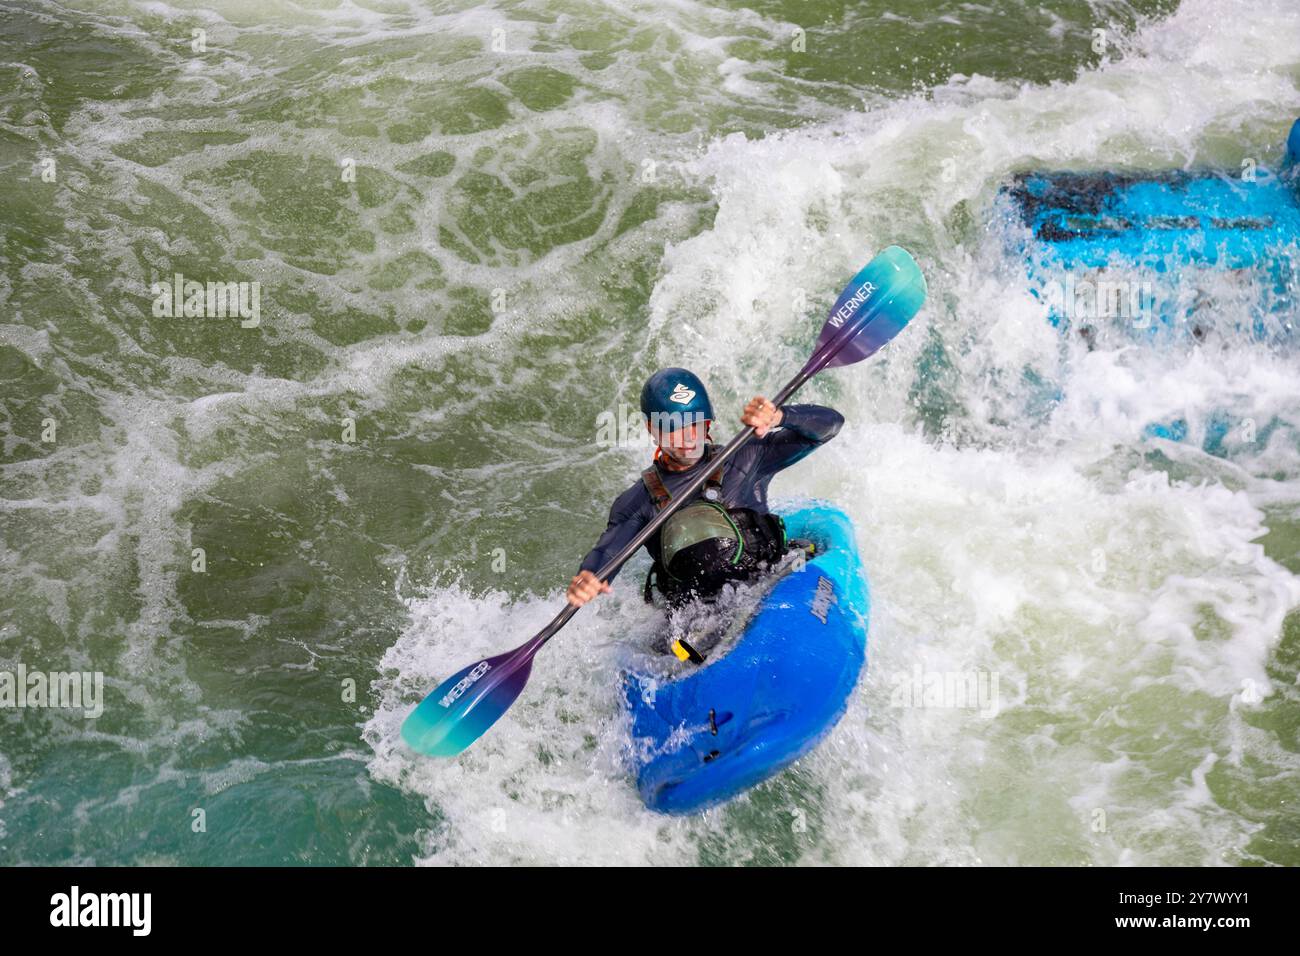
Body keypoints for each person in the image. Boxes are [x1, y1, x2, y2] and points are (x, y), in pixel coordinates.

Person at [567, 367, 844, 609]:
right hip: (698, 615)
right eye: (674, 427)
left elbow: (831, 426)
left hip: (767, 584)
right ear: (652, 428)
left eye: (696, 423)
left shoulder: (745, 456)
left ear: (708, 422)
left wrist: (780, 416)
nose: (689, 436)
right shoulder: (638, 501)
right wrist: (588, 577)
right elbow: (606, 556)